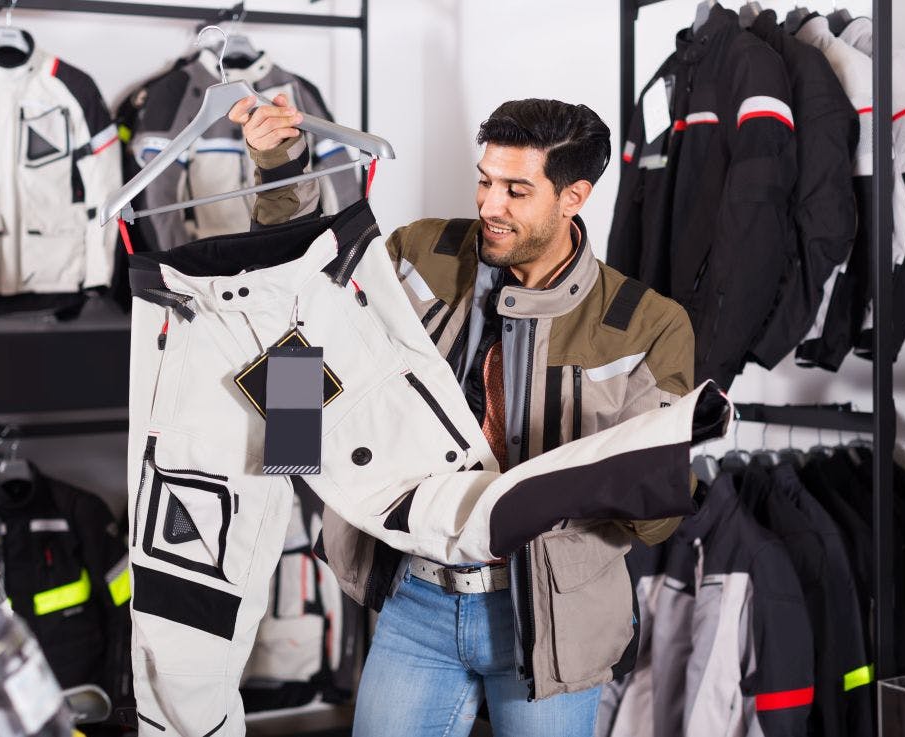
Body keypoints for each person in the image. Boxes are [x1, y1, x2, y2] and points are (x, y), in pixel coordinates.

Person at [229, 94, 695, 737]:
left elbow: (658, 520)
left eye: (516, 190)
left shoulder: (646, 323)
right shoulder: (420, 253)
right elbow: (305, 307)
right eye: (484, 180)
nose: (488, 205)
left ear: (574, 196)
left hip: (553, 622)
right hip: (415, 599)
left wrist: (618, 471)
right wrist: (294, 447)